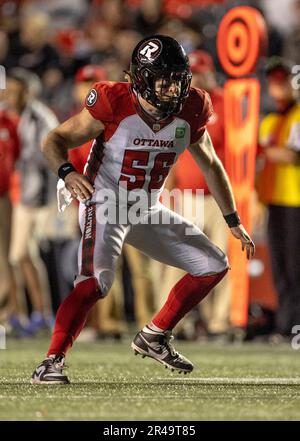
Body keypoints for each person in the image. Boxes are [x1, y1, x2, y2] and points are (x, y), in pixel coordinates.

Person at [31, 35, 254, 384]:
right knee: (96, 281)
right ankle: (50, 362)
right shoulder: (112, 100)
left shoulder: (192, 107)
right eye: (162, 78)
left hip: (147, 206)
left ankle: (155, 334)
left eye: (178, 78)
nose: (171, 87)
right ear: (140, 78)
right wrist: (67, 172)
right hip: (104, 200)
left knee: (213, 264)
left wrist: (233, 220)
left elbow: (211, 164)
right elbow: (53, 140)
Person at [160, 50, 231, 339]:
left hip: (216, 199)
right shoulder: (178, 105)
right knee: (178, 261)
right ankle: (171, 321)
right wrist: (166, 190)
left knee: (221, 261)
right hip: (185, 195)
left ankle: (219, 322)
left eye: (202, 72)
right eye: (194, 73)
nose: (198, 78)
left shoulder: (225, 103)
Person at [256, 57, 300, 340]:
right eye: (273, 81)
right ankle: (286, 324)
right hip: (274, 198)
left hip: (296, 199)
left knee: (295, 266)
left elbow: (293, 155)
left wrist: (264, 152)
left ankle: (294, 323)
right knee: (281, 267)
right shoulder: (270, 120)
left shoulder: (296, 117)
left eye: (282, 80)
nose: (277, 86)